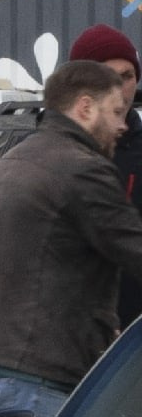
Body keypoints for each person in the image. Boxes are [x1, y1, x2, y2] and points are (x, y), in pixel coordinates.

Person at [0, 56, 142, 417]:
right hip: (38, 364)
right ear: (85, 108)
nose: (122, 126)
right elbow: (133, 247)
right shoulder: (81, 168)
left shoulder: (16, 158)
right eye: (116, 113)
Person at [64, 22, 142, 326]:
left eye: (127, 76)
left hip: (131, 339)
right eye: (106, 77)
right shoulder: (46, 151)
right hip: (65, 338)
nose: (119, 90)